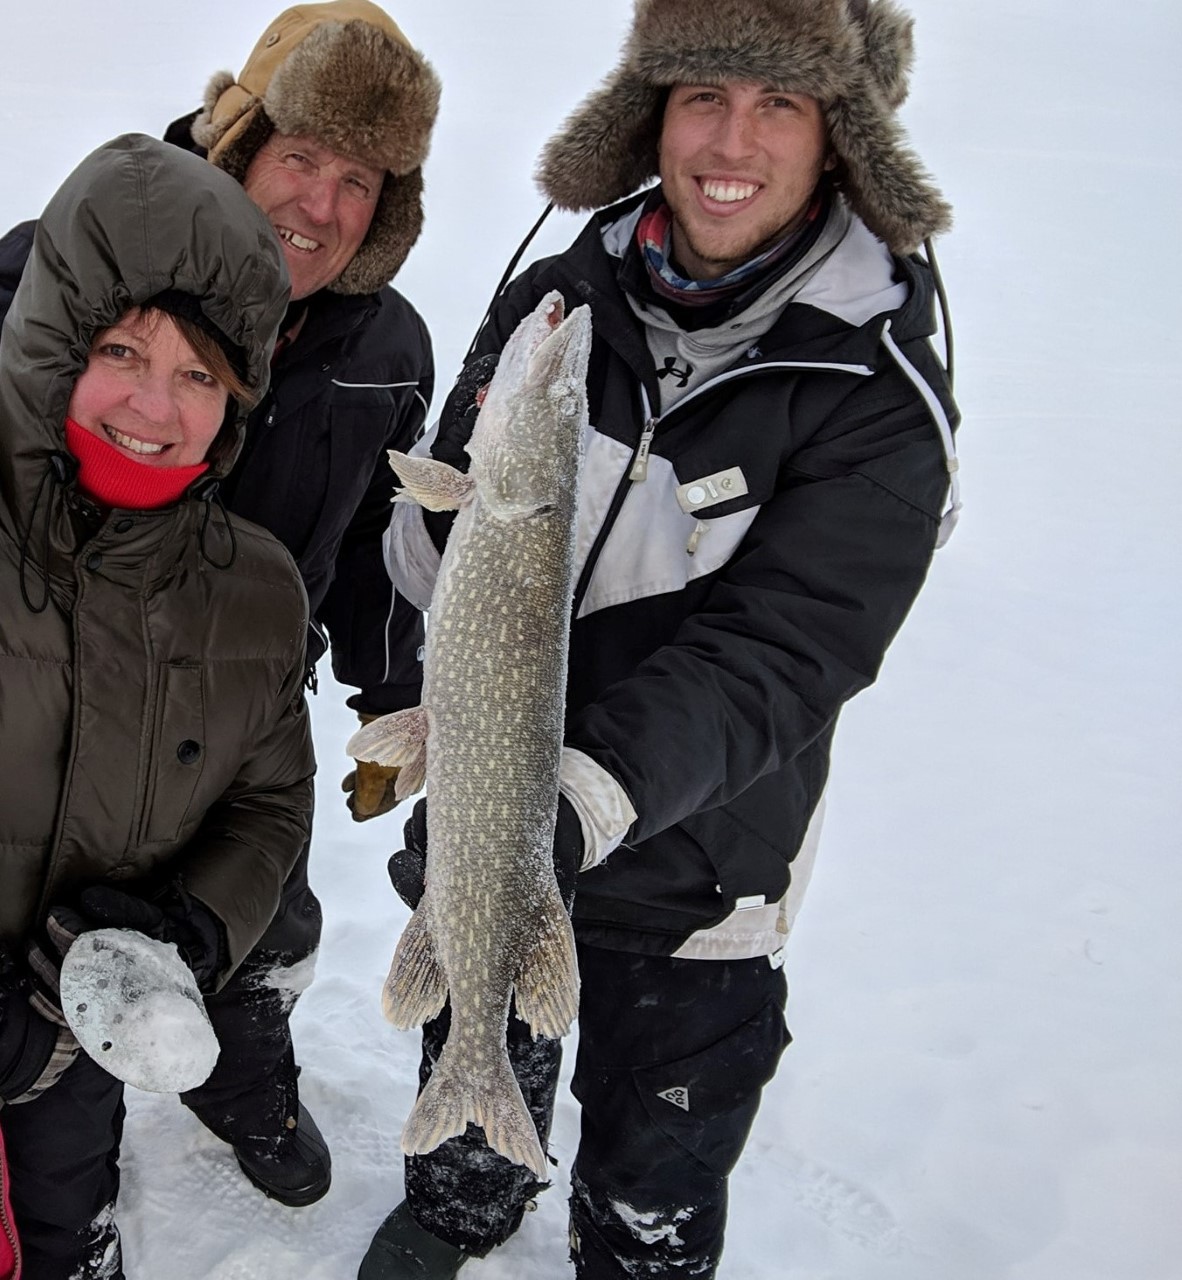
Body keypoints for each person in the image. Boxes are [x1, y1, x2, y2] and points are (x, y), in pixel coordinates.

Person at [363, 0, 961, 1276]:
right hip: (489, 809)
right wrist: (426, 562)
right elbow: (443, 536)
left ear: (838, 136)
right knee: (475, 1021)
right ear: (653, 113)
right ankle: (457, 1200)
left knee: (655, 1174)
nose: (729, 139)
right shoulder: (559, 297)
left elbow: (787, 653)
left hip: (700, 867)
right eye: (703, 96)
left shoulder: (874, 390)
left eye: (778, 104)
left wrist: (568, 800)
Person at [0, 0, 440, 1208]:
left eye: (361, 180)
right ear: (239, 140)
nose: (321, 204)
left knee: (251, 926)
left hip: (236, 716)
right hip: (55, 703)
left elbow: (369, 551)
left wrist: (400, 704)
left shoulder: (388, 349)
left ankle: (238, 1075)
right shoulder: (66, 267)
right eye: (301, 155)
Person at [0, 133, 314, 1280]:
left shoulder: (256, 589)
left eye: (198, 373)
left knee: (65, 1237)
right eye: (122, 348)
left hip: (82, 1051)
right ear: (51, 342)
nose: (153, 405)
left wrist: (183, 930)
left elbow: (271, 805)